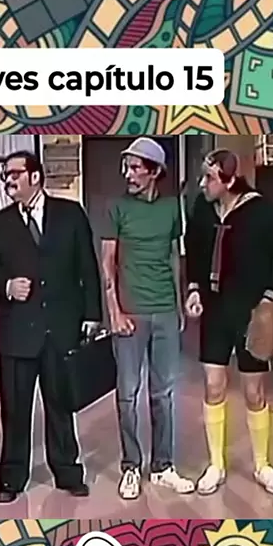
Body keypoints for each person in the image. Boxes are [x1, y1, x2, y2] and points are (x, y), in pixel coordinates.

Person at [0, 150, 102, 504]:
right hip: (17, 332)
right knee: (15, 409)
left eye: (14, 173)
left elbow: (88, 267)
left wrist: (92, 315)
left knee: (60, 405)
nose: (8, 180)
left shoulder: (70, 214)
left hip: (60, 328)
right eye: (5, 175)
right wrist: (6, 285)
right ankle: (12, 477)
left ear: (35, 176)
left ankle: (68, 472)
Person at [184, 148, 273, 496]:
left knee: (254, 392)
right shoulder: (202, 208)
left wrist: (270, 296)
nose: (203, 184)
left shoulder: (260, 211)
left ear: (229, 180)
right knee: (213, 387)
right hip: (215, 310)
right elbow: (194, 252)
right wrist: (193, 289)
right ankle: (216, 465)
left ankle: (262, 465)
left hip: (250, 312)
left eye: (210, 178)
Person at [101, 137, 195, 501]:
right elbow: (107, 262)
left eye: (136, 167)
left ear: (155, 172)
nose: (129, 174)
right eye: (127, 167)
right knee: (127, 394)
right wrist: (114, 311)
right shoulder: (117, 208)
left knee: (163, 393)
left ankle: (162, 467)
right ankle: (131, 466)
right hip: (130, 314)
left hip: (165, 312)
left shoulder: (172, 208)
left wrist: (178, 303)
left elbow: (174, 257)